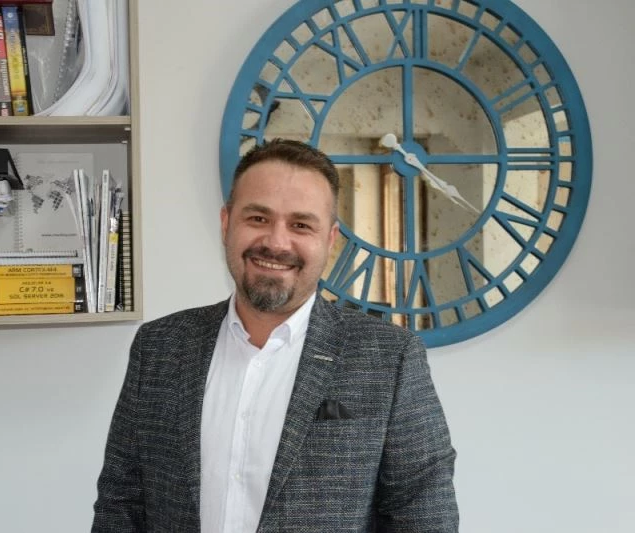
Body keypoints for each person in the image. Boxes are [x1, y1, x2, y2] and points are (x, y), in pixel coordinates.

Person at [91, 139, 458, 532]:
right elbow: (121, 504)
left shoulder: (390, 359)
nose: (276, 242)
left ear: (329, 240)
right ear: (226, 223)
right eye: (258, 218)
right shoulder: (159, 347)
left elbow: (424, 519)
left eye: (301, 225)